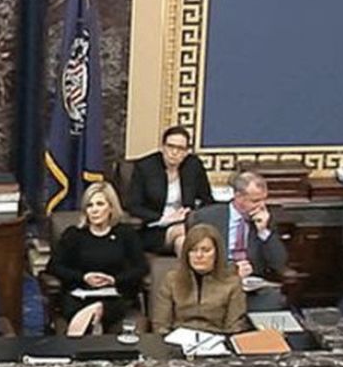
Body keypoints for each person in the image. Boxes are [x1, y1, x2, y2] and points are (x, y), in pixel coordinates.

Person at [46, 182, 147, 335]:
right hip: (80, 295)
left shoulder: (125, 234)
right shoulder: (74, 235)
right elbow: (53, 266)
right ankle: (93, 318)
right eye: (89, 205)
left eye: (100, 204)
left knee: (105, 307)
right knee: (81, 308)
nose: (94, 210)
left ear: (111, 207)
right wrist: (83, 277)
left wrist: (114, 279)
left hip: (114, 296)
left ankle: (92, 318)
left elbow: (141, 267)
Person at [188, 170, 287, 309]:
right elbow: (196, 258)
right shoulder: (207, 217)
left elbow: (279, 263)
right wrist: (231, 271)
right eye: (255, 201)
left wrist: (263, 231)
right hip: (216, 281)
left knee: (272, 300)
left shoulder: (265, 218)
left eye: (264, 199)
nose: (262, 206)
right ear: (238, 196)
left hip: (251, 287)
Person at [123, 125, 214, 256]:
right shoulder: (145, 167)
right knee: (189, 234)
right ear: (162, 147)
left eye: (180, 148)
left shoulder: (194, 166)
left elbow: (207, 200)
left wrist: (192, 214)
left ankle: (188, 276)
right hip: (153, 228)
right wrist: (165, 218)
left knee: (182, 242)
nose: (174, 152)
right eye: (170, 146)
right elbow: (133, 205)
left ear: (187, 151)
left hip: (185, 224)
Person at [149, 222, 246, 334]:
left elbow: (234, 327)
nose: (199, 255)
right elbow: (161, 324)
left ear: (217, 253)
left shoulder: (232, 282)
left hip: (216, 342)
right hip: (176, 340)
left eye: (205, 250)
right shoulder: (172, 280)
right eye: (193, 250)